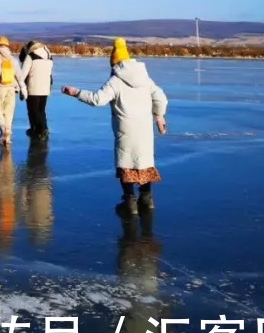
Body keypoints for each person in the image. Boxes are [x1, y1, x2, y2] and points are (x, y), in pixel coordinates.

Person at [62, 37, 168, 215]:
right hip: (144, 130)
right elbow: (161, 98)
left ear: (114, 62)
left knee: (126, 163)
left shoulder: (116, 81)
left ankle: (129, 202)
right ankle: (147, 199)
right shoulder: (145, 79)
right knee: (144, 161)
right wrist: (159, 115)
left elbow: (98, 99)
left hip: (126, 130)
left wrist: (76, 92)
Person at [0, 36, 26, 146]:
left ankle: (3, 129)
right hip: (11, 89)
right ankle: (7, 138)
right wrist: (23, 88)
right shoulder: (13, 59)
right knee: (9, 113)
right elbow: (19, 76)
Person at [21, 41, 55, 139]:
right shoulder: (49, 57)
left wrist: (18, 87)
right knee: (41, 110)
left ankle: (40, 129)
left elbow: (23, 74)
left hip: (33, 87)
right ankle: (43, 128)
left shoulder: (31, 56)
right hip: (45, 88)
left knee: (33, 110)